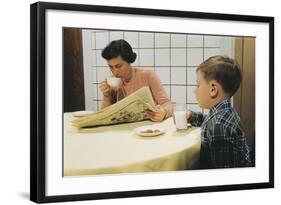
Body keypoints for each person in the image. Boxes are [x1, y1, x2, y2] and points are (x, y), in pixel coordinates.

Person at [187, 55, 251, 169]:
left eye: (198, 85)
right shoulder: (224, 112)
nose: (195, 90)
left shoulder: (219, 128)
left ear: (213, 89)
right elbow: (208, 120)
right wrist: (192, 116)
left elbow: (223, 175)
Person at [99, 39, 173, 122]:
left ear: (129, 60)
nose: (115, 72)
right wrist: (106, 95)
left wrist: (164, 112)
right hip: (124, 129)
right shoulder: (112, 82)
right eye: (111, 67)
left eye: (118, 66)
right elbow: (105, 116)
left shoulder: (147, 75)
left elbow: (167, 104)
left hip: (148, 126)